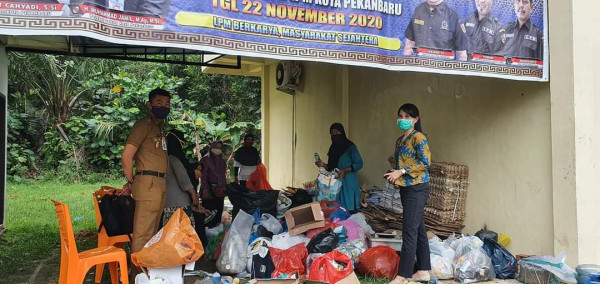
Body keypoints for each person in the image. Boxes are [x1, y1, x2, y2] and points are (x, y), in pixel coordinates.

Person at [120, 88, 170, 273]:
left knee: (152, 233)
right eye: (159, 103)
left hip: (159, 184)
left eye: (167, 104)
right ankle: (137, 276)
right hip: (147, 183)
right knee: (142, 234)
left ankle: (147, 272)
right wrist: (131, 181)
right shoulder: (144, 125)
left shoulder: (159, 127)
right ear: (149, 105)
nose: (164, 107)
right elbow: (127, 156)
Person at [384, 104, 432, 284]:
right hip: (407, 188)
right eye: (400, 116)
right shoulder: (400, 140)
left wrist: (402, 171)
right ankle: (424, 270)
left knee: (409, 231)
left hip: (418, 188)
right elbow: (401, 163)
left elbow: (426, 162)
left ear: (416, 119)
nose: (403, 120)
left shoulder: (419, 138)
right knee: (418, 229)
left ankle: (403, 275)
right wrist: (394, 173)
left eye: (407, 116)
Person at [315, 123, 363, 212]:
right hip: (335, 185)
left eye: (336, 132)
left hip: (348, 183)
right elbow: (331, 168)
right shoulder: (333, 149)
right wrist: (322, 164)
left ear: (342, 132)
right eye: (332, 134)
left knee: (349, 208)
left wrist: (345, 170)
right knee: (337, 209)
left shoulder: (350, 147)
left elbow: (359, 163)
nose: (334, 135)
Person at [403, 0, 469, 61]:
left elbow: (462, 54)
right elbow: (409, 45)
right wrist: (405, 68)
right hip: (420, 68)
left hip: (443, 70)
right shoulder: (418, 10)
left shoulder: (453, 16)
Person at [162, 130, 199, 228]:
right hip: (179, 203)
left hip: (167, 202)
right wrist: (193, 194)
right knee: (183, 234)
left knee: (170, 233)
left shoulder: (163, 159)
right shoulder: (174, 159)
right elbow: (183, 179)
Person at [200, 141, 227, 228]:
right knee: (209, 213)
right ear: (211, 148)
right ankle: (208, 232)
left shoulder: (222, 161)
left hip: (220, 191)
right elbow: (203, 176)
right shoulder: (205, 160)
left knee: (218, 212)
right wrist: (205, 189)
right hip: (209, 190)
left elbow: (223, 175)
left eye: (220, 148)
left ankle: (216, 232)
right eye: (216, 148)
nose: (218, 150)